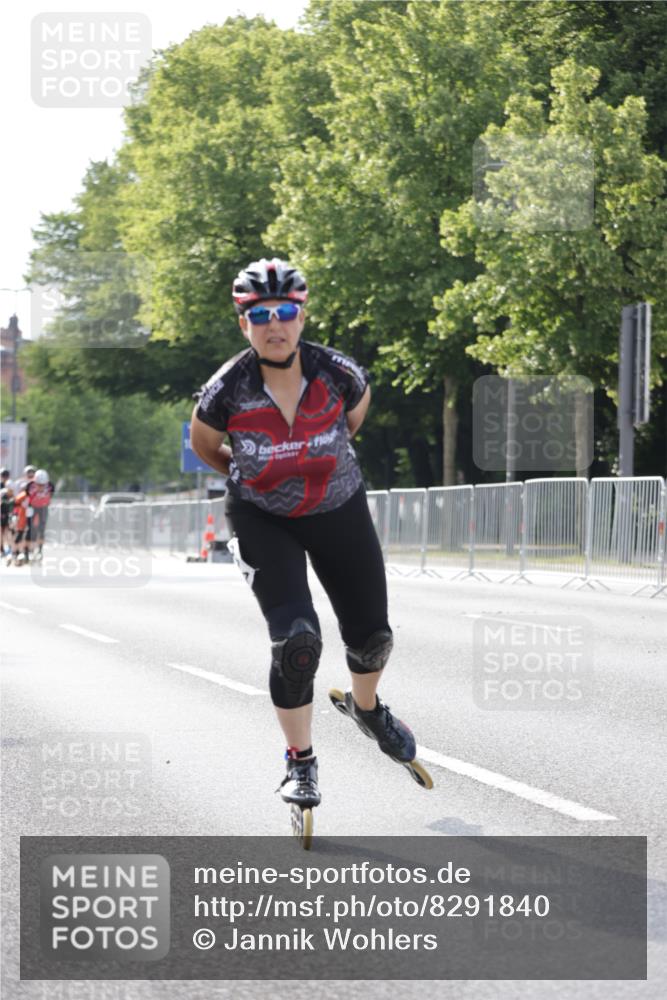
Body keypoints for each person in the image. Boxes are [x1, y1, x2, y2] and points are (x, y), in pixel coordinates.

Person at [190, 257, 423, 814]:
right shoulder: (226, 390)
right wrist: (257, 476)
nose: (275, 324)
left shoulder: (339, 374)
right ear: (243, 320)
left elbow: (352, 421)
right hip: (261, 516)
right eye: (260, 314)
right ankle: (300, 760)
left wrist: (316, 465)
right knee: (297, 641)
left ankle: (366, 708)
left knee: (372, 638)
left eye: (286, 311)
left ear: (303, 314)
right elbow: (206, 446)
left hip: (338, 506)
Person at [26, 468, 54, 560]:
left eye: (43, 485)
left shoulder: (50, 486)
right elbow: (27, 496)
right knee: (31, 528)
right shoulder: (30, 485)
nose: (41, 487)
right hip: (32, 507)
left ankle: (40, 550)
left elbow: (50, 496)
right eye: (39, 484)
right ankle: (30, 550)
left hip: (43, 508)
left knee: (41, 529)